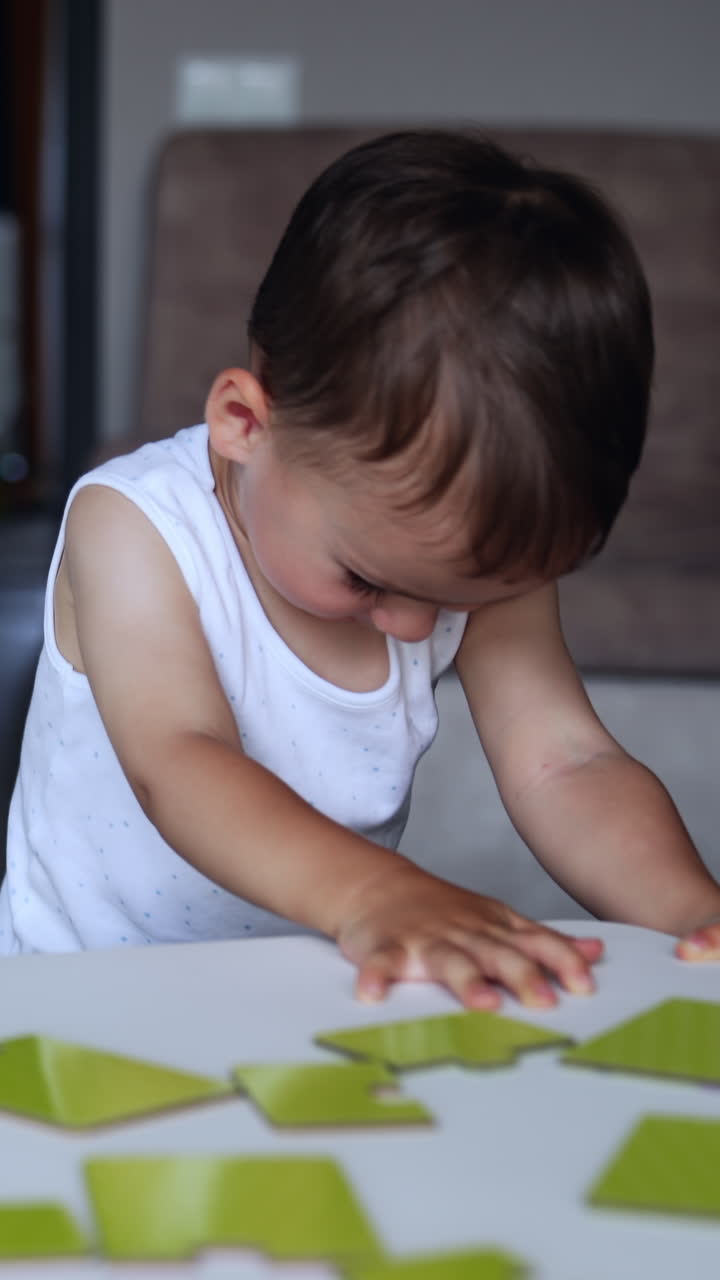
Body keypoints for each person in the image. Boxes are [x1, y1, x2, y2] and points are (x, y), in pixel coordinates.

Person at [2, 131, 719, 1006]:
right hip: (82, 1001)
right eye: (367, 581)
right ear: (245, 422)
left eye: (456, 601)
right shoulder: (134, 527)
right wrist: (378, 892)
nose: (419, 625)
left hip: (315, 991)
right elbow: (179, 761)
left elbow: (567, 764)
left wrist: (692, 916)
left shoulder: (469, 560)